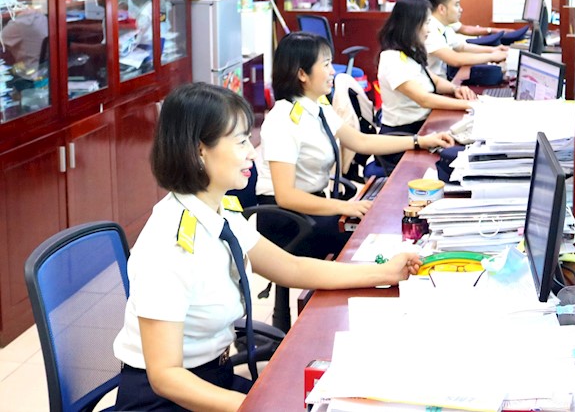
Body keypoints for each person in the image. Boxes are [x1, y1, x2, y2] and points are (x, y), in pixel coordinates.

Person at [112, 82, 420, 411]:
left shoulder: (217, 213)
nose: (252, 152)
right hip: (165, 401)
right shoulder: (169, 246)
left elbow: (291, 267)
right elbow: (166, 376)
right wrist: (258, 406)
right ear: (200, 150)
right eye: (241, 141)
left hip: (214, 379)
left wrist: (384, 272)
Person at [255, 32, 455, 258]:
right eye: (326, 64)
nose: (333, 71)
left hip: (312, 208)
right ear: (302, 74)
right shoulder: (283, 120)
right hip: (289, 222)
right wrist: (345, 206)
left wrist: (420, 141)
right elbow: (286, 196)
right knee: (370, 234)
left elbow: (362, 141)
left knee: (378, 222)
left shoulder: (316, 107)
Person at [377, 0, 476, 168]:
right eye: (426, 23)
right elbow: (423, 99)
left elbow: (433, 80)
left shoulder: (410, 51)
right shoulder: (392, 59)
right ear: (411, 25)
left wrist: (454, 89)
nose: (429, 29)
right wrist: (470, 105)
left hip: (421, 127)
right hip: (402, 138)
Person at [424, 0, 508, 78]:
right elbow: (455, 59)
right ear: (442, 9)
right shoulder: (429, 30)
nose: (461, 9)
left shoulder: (445, 26)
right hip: (432, 85)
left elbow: (461, 47)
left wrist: (493, 50)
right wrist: (492, 56)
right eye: (456, 5)